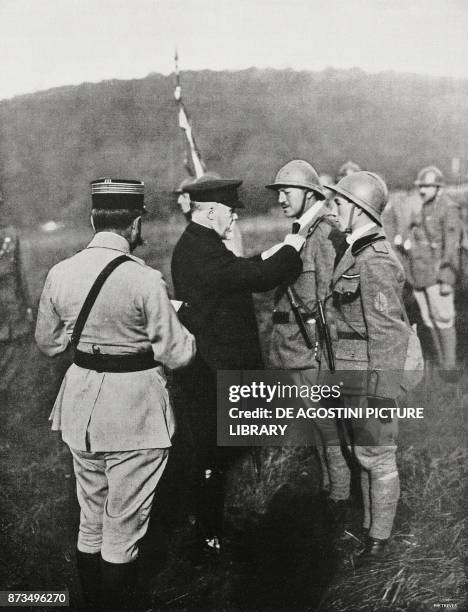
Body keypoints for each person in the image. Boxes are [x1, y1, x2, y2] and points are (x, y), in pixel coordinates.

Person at [35, 178, 195, 610]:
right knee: (123, 526)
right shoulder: (145, 280)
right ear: (136, 222)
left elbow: (49, 344)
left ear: (93, 219)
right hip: (135, 414)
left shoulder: (59, 273)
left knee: (91, 517)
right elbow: (177, 354)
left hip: (81, 408)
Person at [171, 174, 303, 552]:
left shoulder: (200, 243)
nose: (234, 220)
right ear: (211, 211)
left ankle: (208, 527)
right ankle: (209, 536)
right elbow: (256, 277)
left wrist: (267, 254)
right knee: (213, 456)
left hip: (211, 364)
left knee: (214, 452)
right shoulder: (200, 249)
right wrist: (290, 249)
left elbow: (236, 269)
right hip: (213, 368)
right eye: (230, 212)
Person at [325, 171, 410, 563]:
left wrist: (382, 394)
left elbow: (390, 334)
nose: (333, 208)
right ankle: (368, 527)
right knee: (363, 453)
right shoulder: (356, 250)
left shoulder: (374, 259)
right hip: (351, 368)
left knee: (377, 455)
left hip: (370, 374)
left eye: (340, 202)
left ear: (359, 209)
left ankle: (380, 539)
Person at [265, 160, 351, 522]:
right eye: (279, 192)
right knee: (316, 423)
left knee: (327, 425)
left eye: (287, 191)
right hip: (295, 346)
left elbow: (331, 301)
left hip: (311, 349)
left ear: (310, 194)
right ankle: (333, 489)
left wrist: (325, 356)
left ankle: (342, 496)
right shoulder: (302, 230)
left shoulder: (325, 233)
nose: (281, 198)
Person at [397, 166, 460, 369]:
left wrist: (447, 276)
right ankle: (441, 362)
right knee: (428, 318)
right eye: (421, 186)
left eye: (427, 186)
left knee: (443, 317)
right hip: (419, 273)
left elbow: (451, 245)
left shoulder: (447, 208)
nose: (422, 190)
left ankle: (449, 366)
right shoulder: (426, 206)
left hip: (436, 273)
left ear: (438, 187)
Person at [0, 191, 33, 402]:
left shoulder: (10, 235)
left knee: (14, 346)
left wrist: (28, 304)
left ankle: (5, 391)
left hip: (10, 302)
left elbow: (20, 271)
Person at [174, 172, 244, 255]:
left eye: (184, 196)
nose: (179, 201)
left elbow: (231, 263)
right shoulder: (198, 227)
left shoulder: (221, 227)